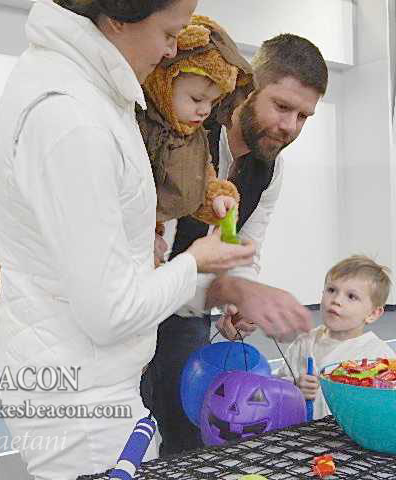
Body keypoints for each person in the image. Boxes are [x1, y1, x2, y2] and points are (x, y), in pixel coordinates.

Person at [0, 0, 256, 477]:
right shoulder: (72, 117)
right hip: (84, 404)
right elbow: (110, 312)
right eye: (170, 32)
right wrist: (196, 262)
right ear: (117, 17)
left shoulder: (83, 92)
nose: (172, 49)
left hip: (90, 383)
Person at [141, 33, 328, 456]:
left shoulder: (271, 170)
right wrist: (226, 289)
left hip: (185, 316)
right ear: (247, 87)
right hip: (129, 308)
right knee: (121, 435)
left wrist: (236, 297)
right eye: (282, 107)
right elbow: (147, 259)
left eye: (304, 116)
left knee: (187, 435)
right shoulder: (184, 130)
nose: (290, 127)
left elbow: (246, 245)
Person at [138, 14, 254, 247]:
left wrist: (216, 199)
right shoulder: (136, 124)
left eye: (212, 102)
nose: (205, 111)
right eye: (196, 98)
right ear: (163, 82)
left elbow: (199, 179)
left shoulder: (194, 138)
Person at [276, 255, 396, 420]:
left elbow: (391, 406)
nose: (336, 300)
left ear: (373, 313)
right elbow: (275, 386)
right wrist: (295, 386)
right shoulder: (303, 343)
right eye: (331, 290)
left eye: (351, 296)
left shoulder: (379, 356)